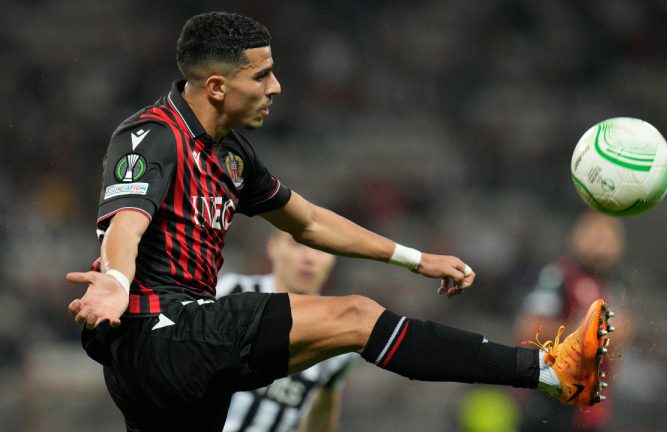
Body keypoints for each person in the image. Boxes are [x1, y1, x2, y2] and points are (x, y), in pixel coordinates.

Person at [66, 12, 613, 431]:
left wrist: (416, 259)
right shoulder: (150, 135)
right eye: (262, 75)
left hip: (167, 367)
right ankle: (548, 371)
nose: (276, 87)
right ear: (216, 87)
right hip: (163, 331)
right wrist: (115, 281)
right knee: (356, 316)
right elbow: (126, 223)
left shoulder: (231, 153)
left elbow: (307, 222)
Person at [216, 231, 354, 432]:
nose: (309, 257)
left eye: (321, 248)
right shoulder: (232, 292)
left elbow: (323, 413)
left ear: (333, 258)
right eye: (297, 244)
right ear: (273, 247)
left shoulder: (338, 335)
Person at [513, 211, 626, 432]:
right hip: (552, 401)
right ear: (576, 237)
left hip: (590, 407)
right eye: (595, 233)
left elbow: (617, 336)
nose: (601, 241)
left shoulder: (615, 285)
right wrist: (585, 333)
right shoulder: (559, 275)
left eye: (608, 235)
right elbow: (529, 327)